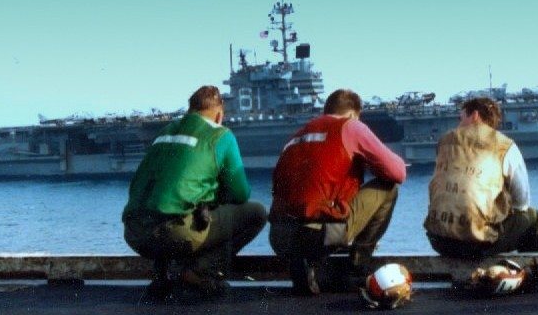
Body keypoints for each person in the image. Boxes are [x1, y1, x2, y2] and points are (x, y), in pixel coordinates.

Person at [122, 85, 267, 300]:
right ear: (219, 115)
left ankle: (164, 274)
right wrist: (214, 195)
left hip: (134, 233)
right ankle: (200, 272)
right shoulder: (220, 134)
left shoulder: (165, 132)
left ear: (190, 109)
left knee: (175, 214)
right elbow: (240, 194)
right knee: (257, 213)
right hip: (175, 234)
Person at [269, 89, 407, 295]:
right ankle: (356, 268)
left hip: (279, 237)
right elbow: (398, 172)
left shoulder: (296, 136)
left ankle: (306, 263)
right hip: (316, 234)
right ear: (352, 114)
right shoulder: (350, 126)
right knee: (388, 188)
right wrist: (369, 161)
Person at [424, 97, 538, 258]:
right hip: (477, 244)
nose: (459, 125)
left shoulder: (444, 141)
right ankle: (533, 271)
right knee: (533, 218)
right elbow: (522, 202)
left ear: (475, 115)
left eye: (461, 118)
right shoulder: (505, 146)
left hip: (439, 241)